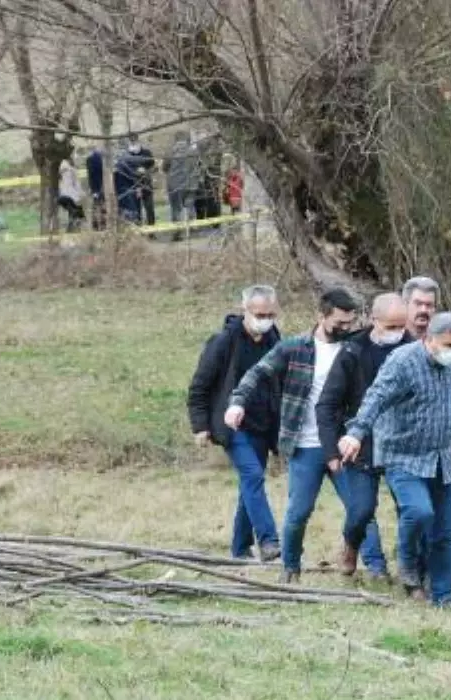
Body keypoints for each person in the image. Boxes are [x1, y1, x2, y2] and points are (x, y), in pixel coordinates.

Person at [226, 288, 361, 582]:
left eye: (350, 322)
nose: (346, 328)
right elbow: (256, 373)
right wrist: (237, 402)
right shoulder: (294, 348)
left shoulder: (355, 349)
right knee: (298, 513)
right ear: (321, 316)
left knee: (360, 509)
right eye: (340, 322)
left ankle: (372, 564)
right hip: (305, 445)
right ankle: (290, 567)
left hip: (345, 443)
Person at [339, 312, 451, 607]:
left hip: (441, 456)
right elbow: (376, 397)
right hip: (403, 454)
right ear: (429, 338)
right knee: (419, 512)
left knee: (444, 532)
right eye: (448, 344)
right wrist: (356, 433)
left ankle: (444, 595)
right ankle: (407, 564)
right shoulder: (403, 361)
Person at [316, 293, 413, 579]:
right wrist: (331, 451)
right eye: (391, 326)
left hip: (403, 444)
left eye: (401, 326)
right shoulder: (352, 352)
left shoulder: (414, 348)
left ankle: (410, 566)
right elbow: (327, 404)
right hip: (361, 444)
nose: (398, 333)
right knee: (361, 510)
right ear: (374, 320)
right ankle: (350, 543)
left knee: (411, 509)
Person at [188, 285, 283, 561]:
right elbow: (200, 385)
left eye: (269, 314)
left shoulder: (274, 341)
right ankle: (269, 540)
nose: (264, 319)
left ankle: (240, 549)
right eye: (259, 314)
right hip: (231, 426)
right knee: (253, 476)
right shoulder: (223, 342)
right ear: (245, 310)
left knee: (248, 484)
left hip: (263, 425)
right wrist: (200, 426)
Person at [401, 276, 451, 421]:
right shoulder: (392, 342)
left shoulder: (448, 343)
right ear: (406, 304)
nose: (424, 310)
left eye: (429, 305)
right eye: (418, 304)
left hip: (439, 430)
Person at [164, 131, 198, 235]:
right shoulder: (193, 152)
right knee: (190, 206)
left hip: (175, 185)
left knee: (176, 208)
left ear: (175, 140)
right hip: (190, 184)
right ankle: (192, 231)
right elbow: (197, 167)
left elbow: (165, 168)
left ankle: (177, 232)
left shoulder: (170, 152)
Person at [57, 155, 86, 232]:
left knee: (71, 211)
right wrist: (81, 193)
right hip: (72, 196)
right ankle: (75, 227)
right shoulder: (72, 170)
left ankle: (71, 227)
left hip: (62, 196)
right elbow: (76, 184)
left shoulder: (60, 169)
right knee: (77, 212)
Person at [85, 145, 107, 230]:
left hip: (99, 188)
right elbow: (92, 176)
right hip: (101, 188)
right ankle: (100, 226)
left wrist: (94, 190)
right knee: (100, 207)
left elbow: (91, 176)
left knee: (98, 207)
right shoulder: (97, 159)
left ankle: (98, 227)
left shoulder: (91, 159)